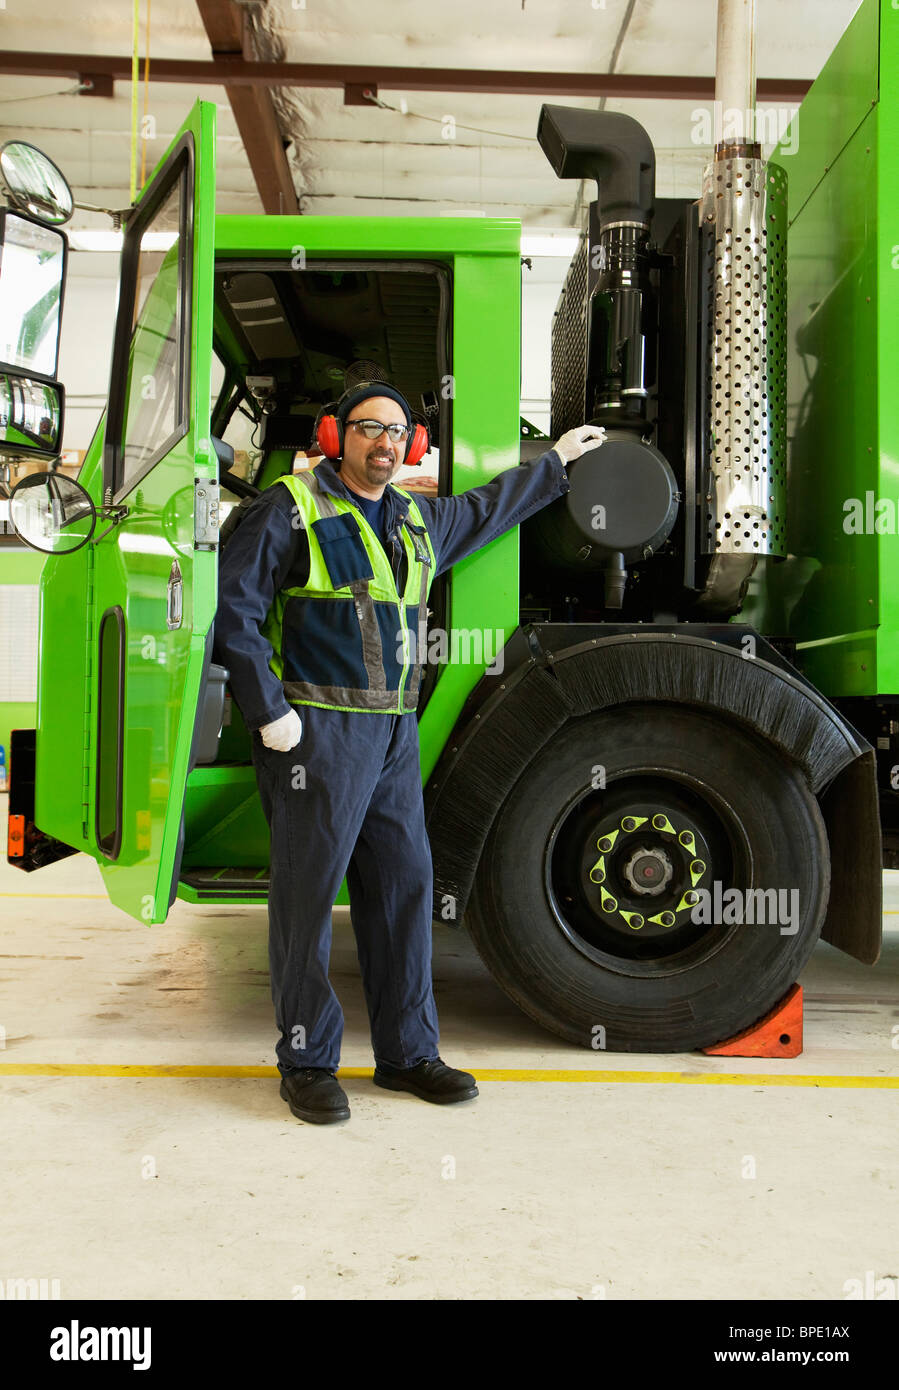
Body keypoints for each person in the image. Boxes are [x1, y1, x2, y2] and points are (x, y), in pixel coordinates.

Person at [213, 381, 604, 1124]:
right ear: (336, 437)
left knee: (402, 891)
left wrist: (551, 466)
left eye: (397, 433)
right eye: (367, 429)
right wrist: (269, 715)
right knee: (305, 901)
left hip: (392, 735)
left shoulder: (418, 520)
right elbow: (233, 612)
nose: (384, 444)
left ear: (413, 446)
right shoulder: (288, 508)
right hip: (315, 734)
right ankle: (305, 1062)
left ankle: (406, 1054)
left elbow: (486, 511)